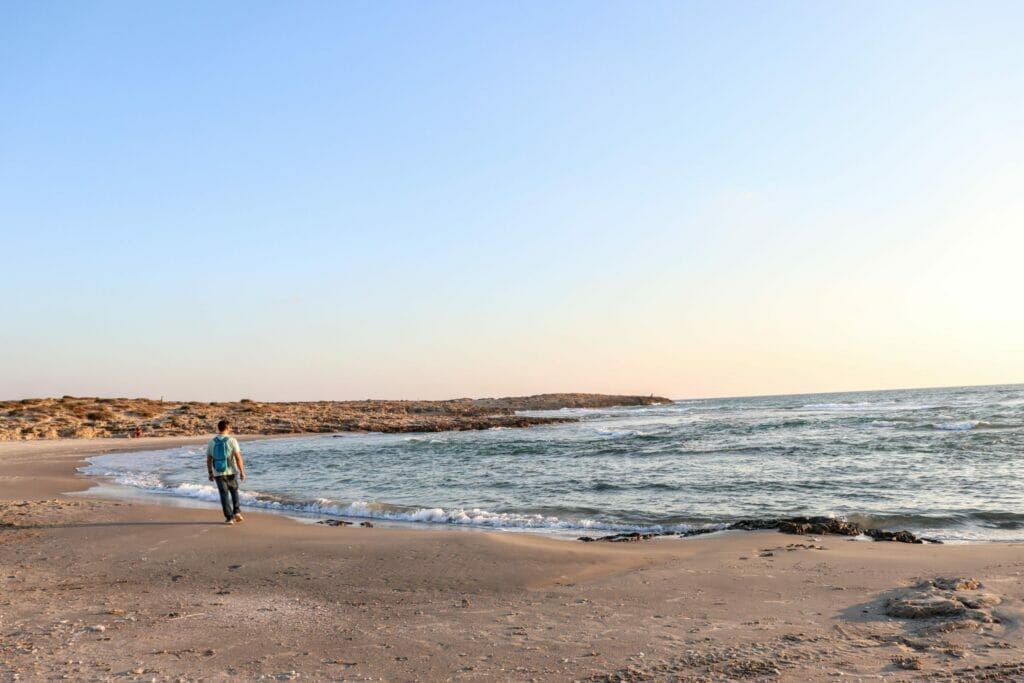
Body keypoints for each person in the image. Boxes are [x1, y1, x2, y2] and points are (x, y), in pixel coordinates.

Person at [207, 419, 246, 524]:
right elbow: (238, 458)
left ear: (218, 428)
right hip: (231, 471)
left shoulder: (212, 441)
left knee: (224, 494)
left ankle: (229, 518)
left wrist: (210, 473)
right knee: (234, 491)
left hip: (218, 473)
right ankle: (237, 512)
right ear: (228, 428)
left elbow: (209, 459)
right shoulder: (232, 440)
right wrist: (242, 471)